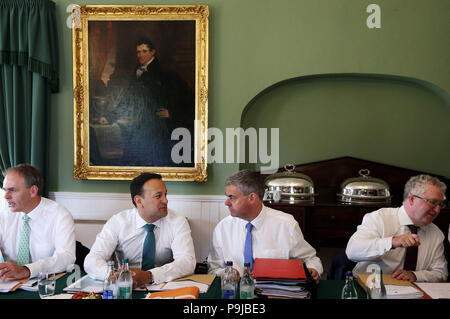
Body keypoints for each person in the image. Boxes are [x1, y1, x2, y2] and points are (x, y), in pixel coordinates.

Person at [93, 37, 194, 167]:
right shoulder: (137, 72)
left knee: (153, 161)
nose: (140, 55)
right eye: (138, 52)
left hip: (157, 127)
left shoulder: (164, 74)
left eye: (144, 51)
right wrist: (109, 116)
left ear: (153, 52)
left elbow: (188, 98)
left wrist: (172, 113)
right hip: (139, 126)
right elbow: (128, 99)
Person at [208, 169, 323, 283]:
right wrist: (225, 273)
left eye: (232, 197)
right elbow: (213, 268)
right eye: (227, 197)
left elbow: (311, 259)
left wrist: (313, 270)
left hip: (276, 292)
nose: (226, 203)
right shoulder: (223, 228)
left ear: (252, 198)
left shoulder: (286, 225)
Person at [84, 173, 196, 287]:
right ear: (139, 201)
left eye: (165, 194)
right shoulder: (118, 222)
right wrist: (113, 275)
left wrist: (149, 276)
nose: (166, 200)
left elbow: (187, 262)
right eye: (158, 196)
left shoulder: (178, 221)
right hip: (125, 286)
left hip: (164, 285)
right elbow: (92, 260)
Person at [346, 174, 448, 282]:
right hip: (370, 287)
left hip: (414, 292)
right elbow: (352, 251)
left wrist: (415, 276)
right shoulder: (380, 218)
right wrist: (392, 242)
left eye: (440, 205)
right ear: (412, 199)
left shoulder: (436, 233)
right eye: (432, 202)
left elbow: (441, 273)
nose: (437, 210)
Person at [0, 164, 76, 280]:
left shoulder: (59, 215)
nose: (6, 196)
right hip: (10, 285)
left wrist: (27, 270)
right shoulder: (4, 215)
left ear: (33, 191)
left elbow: (66, 258)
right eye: (5, 190)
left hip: (47, 285)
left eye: (12, 190)